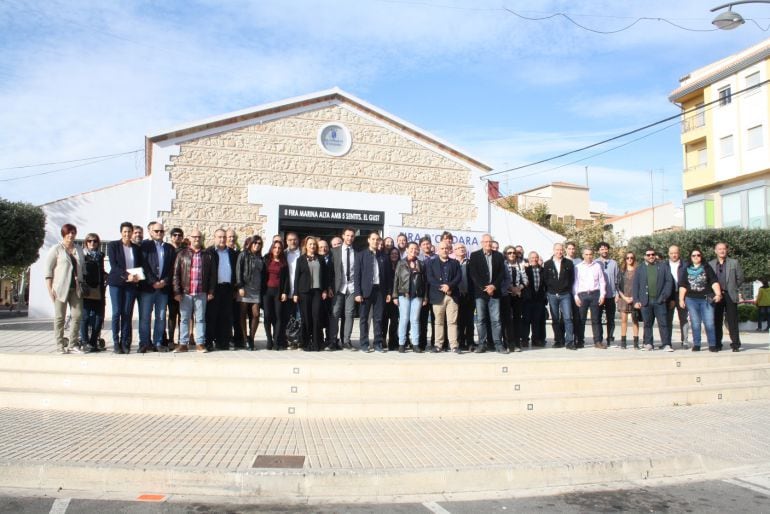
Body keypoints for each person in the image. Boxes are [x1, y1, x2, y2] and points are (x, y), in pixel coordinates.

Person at [45, 223, 85, 354]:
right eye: (68, 233)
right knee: (60, 317)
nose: (71, 235)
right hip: (60, 288)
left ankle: (73, 344)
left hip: (76, 288)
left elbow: (82, 268)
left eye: (73, 233)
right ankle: (59, 345)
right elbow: (48, 270)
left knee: (77, 315)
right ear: (63, 234)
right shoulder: (56, 249)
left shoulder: (79, 249)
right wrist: (50, 288)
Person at [173, 229, 216, 353]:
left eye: (199, 237)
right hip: (186, 293)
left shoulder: (207, 255)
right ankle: (183, 344)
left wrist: (211, 291)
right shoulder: (182, 254)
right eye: (194, 237)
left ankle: (200, 343)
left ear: (201, 239)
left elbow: (213, 275)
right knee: (184, 319)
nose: (197, 239)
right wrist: (177, 292)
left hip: (201, 293)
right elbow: (176, 274)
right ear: (190, 238)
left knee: (200, 319)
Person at [138, 221, 175, 353]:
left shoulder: (169, 248)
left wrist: (165, 281)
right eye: (156, 231)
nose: (159, 233)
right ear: (150, 232)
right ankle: (144, 343)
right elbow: (143, 266)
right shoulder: (144, 246)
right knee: (145, 317)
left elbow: (172, 268)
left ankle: (158, 342)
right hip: (148, 288)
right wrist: (153, 281)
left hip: (163, 289)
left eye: (161, 231)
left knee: (160, 317)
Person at [107, 221, 142, 354]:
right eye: (125, 231)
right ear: (121, 232)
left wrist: (137, 277)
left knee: (127, 314)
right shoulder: (113, 245)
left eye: (129, 231)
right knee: (117, 313)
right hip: (117, 283)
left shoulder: (136, 248)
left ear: (133, 232)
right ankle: (116, 342)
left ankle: (125, 342)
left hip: (131, 285)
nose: (127, 234)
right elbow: (114, 265)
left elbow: (139, 265)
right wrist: (127, 275)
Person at [469, 234, 507, 353]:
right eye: (485, 242)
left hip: (495, 293)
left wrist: (493, 286)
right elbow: (473, 274)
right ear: (482, 243)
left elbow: (501, 274)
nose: (488, 244)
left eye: (490, 242)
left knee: (496, 320)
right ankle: (482, 344)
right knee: (481, 319)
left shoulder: (499, 256)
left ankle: (498, 344)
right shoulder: (474, 256)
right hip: (480, 293)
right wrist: (484, 287)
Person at [679, 248, 722, 352]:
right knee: (695, 323)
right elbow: (683, 285)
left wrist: (718, 294)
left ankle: (712, 344)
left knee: (709, 323)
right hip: (691, 300)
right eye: (693, 255)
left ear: (701, 256)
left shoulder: (707, 268)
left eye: (698, 255)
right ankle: (697, 344)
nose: (696, 257)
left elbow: (714, 281)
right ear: (691, 257)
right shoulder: (686, 269)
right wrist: (681, 299)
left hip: (706, 299)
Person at [293, 236, 331, 352]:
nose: (312, 246)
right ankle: (305, 342)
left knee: (316, 317)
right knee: (306, 318)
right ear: (306, 246)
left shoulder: (320, 259)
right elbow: (296, 278)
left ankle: (317, 342)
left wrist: (324, 290)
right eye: (310, 244)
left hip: (317, 292)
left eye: (314, 244)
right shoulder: (301, 260)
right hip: (304, 292)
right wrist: (295, 293)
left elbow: (325, 276)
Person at [633, 247, 674, 351]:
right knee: (647, 323)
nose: (651, 256)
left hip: (660, 300)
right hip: (645, 301)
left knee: (663, 323)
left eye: (652, 254)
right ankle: (648, 343)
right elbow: (635, 285)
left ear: (655, 255)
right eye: (648, 255)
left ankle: (666, 344)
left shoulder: (663, 266)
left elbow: (669, 282)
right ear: (644, 256)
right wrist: (636, 300)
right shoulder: (640, 268)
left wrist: (664, 296)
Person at [426, 239, 462, 353]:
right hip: (437, 296)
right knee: (438, 322)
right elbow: (430, 278)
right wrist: (442, 287)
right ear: (437, 250)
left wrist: (449, 286)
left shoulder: (455, 263)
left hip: (452, 296)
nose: (444, 250)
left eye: (446, 248)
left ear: (449, 249)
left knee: (452, 322)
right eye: (442, 248)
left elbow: (458, 277)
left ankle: (454, 346)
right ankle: (438, 345)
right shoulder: (431, 263)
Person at [355, 231, 388, 352]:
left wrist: (388, 292)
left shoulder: (383, 256)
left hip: (379, 290)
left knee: (378, 318)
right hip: (365, 291)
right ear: (368, 240)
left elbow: (388, 276)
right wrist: (358, 293)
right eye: (373, 239)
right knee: (364, 318)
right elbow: (357, 275)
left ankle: (378, 343)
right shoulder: (361, 255)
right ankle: (364, 343)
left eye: (377, 239)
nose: (375, 241)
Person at [392, 242, 427, 353]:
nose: (414, 250)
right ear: (407, 249)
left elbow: (425, 282)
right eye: (411, 248)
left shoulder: (421, 264)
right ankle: (401, 343)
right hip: (404, 295)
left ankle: (415, 344)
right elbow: (396, 279)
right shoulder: (401, 263)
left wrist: (425, 297)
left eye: (416, 249)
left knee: (415, 320)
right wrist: (395, 296)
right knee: (403, 319)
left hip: (417, 296)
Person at [206, 229, 238, 351]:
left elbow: (235, 271)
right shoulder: (209, 252)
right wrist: (209, 290)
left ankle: (222, 342)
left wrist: (235, 288)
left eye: (224, 237)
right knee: (212, 316)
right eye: (219, 237)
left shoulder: (231, 253)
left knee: (225, 317)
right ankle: (208, 342)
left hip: (228, 288)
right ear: (214, 237)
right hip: (214, 289)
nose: (222, 239)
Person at [710, 242, 744, 352]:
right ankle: (717, 344)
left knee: (732, 321)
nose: (722, 251)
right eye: (719, 249)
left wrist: (733, 288)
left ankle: (735, 344)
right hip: (717, 295)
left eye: (724, 249)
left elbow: (740, 278)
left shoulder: (734, 263)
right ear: (715, 251)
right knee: (717, 320)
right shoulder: (710, 264)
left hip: (730, 294)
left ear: (727, 250)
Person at [573, 247, 607, 349]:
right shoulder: (578, 267)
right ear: (583, 255)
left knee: (596, 319)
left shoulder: (597, 266)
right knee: (581, 320)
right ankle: (580, 341)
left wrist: (602, 295)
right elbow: (575, 282)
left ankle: (597, 341)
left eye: (590, 254)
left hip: (595, 294)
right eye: (586, 254)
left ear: (593, 255)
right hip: (582, 295)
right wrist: (575, 296)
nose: (589, 256)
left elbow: (602, 281)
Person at [235, 236, 265, 350]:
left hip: (256, 290)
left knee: (256, 314)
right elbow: (238, 271)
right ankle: (245, 338)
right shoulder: (243, 255)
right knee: (243, 314)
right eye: (255, 243)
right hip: (245, 288)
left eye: (259, 243)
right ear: (251, 243)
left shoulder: (260, 257)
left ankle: (251, 338)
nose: (257, 245)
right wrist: (240, 286)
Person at [543, 243, 575, 350]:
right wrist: (551, 290)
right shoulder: (547, 264)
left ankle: (569, 341)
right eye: (557, 250)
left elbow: (572, 279)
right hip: (552, 295)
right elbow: (545, 279)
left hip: (565, 294)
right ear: (553, 250)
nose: (559, 252)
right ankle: (558, 340)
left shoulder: (569, 263)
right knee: (555, 319)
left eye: (561, 250)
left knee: (567, 318)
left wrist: (566, 289)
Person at [329, 228, 357, 351]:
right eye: (347, 235)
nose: (349, 238)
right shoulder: (334, 251)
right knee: (335, 314)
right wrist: (329, 287)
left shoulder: (357, 253)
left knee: (349, 314)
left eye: (352, 236)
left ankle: (346, 341)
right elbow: (330, 271)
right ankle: (332, 341)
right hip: (338, 287)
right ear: (343, 236)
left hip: (351, 287)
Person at [79, 233, 106, 352]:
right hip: (86, 289)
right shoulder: (82, 255)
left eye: (95, 241)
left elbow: (100, 270)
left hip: (99, 289)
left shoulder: (100, 255)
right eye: (89, 241)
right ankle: (85, 342)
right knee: (85, 317)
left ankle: (93, 342)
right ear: (86, 242)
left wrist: (106, 275)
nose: (92, 243)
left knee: (99, 317)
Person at [263, 240, 289, 350]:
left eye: (279, 248)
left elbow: (287, 279)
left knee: (278, 316)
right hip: (267, 291)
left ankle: (276, 341)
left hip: (278, 292)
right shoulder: (266, 259)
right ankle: (269, 340)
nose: (277, 250)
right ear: (272, 248)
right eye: (275, 247)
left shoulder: (283, 262)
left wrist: (284, 292)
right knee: (267, 316)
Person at [502, 245, 527, 352]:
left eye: (513, 253)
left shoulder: (520, 265)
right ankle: (508, 344)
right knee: (507, 320)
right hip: (506, 294)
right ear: (505, 254)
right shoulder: (503, 264)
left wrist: (518, 288)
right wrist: (510, 288)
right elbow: (501, 279)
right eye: (509, 253)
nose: (512, 254)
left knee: (517, 319)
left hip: (517, 295)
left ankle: (517, 343)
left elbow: (525, 279)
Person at [596, 242, 620, 346]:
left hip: (611, 295)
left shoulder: (614, 263)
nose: (604, 251)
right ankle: (599, 339)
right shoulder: (595, 263)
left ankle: (610, 338)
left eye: (606, 249)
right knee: (598, 318)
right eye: (602, 249)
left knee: (611, 318)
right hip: (599, 295)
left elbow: (617, 279)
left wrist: (617, 293)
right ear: (598, 251)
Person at [666, 245, 689, 349]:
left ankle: (685, 341)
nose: (674, 255)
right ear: (668, 254)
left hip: (682, 294)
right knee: (668, 319)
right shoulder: (664, 265)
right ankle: (668, 342)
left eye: (675, 253)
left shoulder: (685, 265)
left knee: (683, 318)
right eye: (671, 253)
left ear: (679, 253)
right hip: (669, 295)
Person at [522, 251, 547, 347]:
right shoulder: (525, 270)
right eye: (532, 258)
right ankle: (524, 339)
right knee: (526, 320)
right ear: (529, 259)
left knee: (536, 321)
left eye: (536, 257)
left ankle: (535, 339)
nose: (534, 259)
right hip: (528, 300)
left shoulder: (543, 270)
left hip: (539, 299)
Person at [617, 251, 640, 349]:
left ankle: (636, 342)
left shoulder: (638, 271)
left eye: (631, 257)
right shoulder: (621, 271)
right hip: (623, 298)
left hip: (634, 298)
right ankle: (623, 342)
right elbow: (617, 286)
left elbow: (640, 285)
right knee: (624, 320)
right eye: (627, 258)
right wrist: (624, 297)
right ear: (625, 259)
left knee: (635, 320)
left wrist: (634, 298)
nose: (629, 259)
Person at [454, 242, 475, 351]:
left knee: (470, 320)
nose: (461, 249)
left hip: (469, 295)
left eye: (462, 247)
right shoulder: (452, 263)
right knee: (459, 321)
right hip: (457, 296)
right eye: (458, 248)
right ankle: (460, 342)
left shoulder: (471, 263)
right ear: (454, 251)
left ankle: (470, 342)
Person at [166, 227, 185, 348]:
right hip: (169, 286)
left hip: (183, 287)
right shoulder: (167, 249)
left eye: (179, 235)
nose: (177, 237)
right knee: (171, 314)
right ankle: (170, 339)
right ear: (171, 236)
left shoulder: (185, 251)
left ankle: (181, 340)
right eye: (175, 235)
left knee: (182, 315)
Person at [285, 232, 302, 348]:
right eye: (290, 240)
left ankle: (298, 340)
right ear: (286, 241)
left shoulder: (303, 253)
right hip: (286, 291)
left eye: (295, 239)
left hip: (300, 291)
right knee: (287, 317)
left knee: (299, 316)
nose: (293, 242)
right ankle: (288, 340)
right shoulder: (283, 254)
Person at [382, 247, 401, 351]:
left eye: (396, 254)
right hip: (386, 296)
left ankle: (393, 341)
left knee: (394, 320)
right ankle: (383, 339)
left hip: (397, 297)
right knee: (384, 320)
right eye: (392, 254)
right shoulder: (385, 265)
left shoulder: (401, 265)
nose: (394, 255)